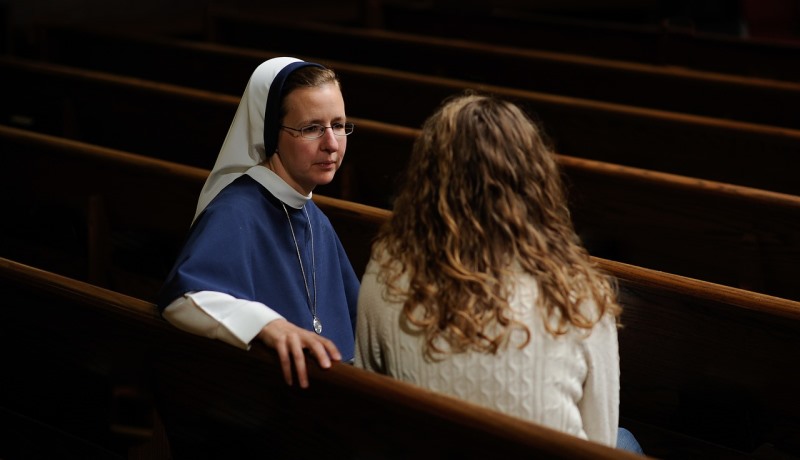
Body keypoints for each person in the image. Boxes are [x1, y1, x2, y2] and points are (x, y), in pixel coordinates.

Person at [354, 91, 643, 454]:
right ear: (534, 181)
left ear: (426, 179)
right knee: (624, 439)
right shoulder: (580, 293)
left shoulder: (387, 267)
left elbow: (368, 399)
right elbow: (598, 442)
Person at [157, 57, 359, 390]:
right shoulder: (236, 210)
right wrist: (266, 323)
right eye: (311, 128)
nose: (332, 144)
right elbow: (182, 300)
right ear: (271, 133)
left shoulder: (313, 216)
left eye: (338, 125)